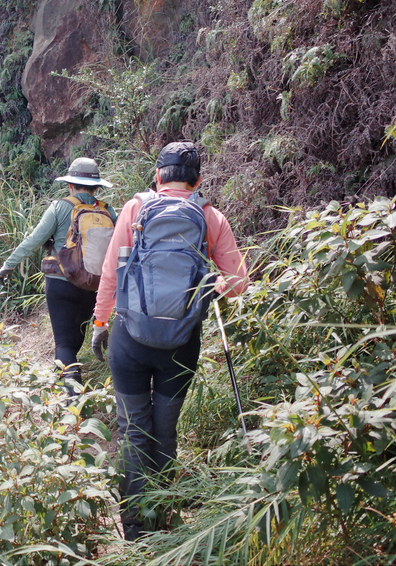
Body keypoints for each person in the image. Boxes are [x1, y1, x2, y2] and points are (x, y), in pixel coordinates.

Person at [90, 141, 249, 541]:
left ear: (158, 176)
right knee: (165, 431)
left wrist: (99, 322)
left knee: (132, 431)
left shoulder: (135, 209)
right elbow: (239, 285)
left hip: (130, 339)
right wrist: (212, 280)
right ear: (198, 180)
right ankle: (163, 522)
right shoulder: (211, 217)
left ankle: (134, 530)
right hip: (180, 344)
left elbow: (111, 273)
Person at [0, 158, 117, 388]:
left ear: (70, 185)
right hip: (93, 284)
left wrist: (9, 264)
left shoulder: (60, 206)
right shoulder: (107, 210)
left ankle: (72, 400)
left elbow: (34, 240)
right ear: (96, 187)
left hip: (61, 283)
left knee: (63, 343)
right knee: (74, 341)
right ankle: (66, 381)